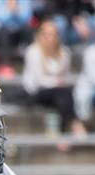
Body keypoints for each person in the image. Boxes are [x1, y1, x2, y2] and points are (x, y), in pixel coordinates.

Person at [23, 19, 86, 148]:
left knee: (62, 95)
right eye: (47, 34)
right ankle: (75, 123)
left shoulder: (64, 52)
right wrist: (56, 82)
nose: (50, 38)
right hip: (37, 91)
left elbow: (66, 76)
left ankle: (63, 135)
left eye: (53, 34)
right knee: (63, 93)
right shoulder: (33, 51)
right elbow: (37, 80)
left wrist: (58, 82)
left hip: (58, 93)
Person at [0, 0, 33, 78]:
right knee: (4, 31)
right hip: (0, 31)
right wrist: (11, 11)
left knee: (29, 30)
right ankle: (5, 65)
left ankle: (32, 64)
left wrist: (15, 11)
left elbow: (27, 18)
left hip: (19, 29)